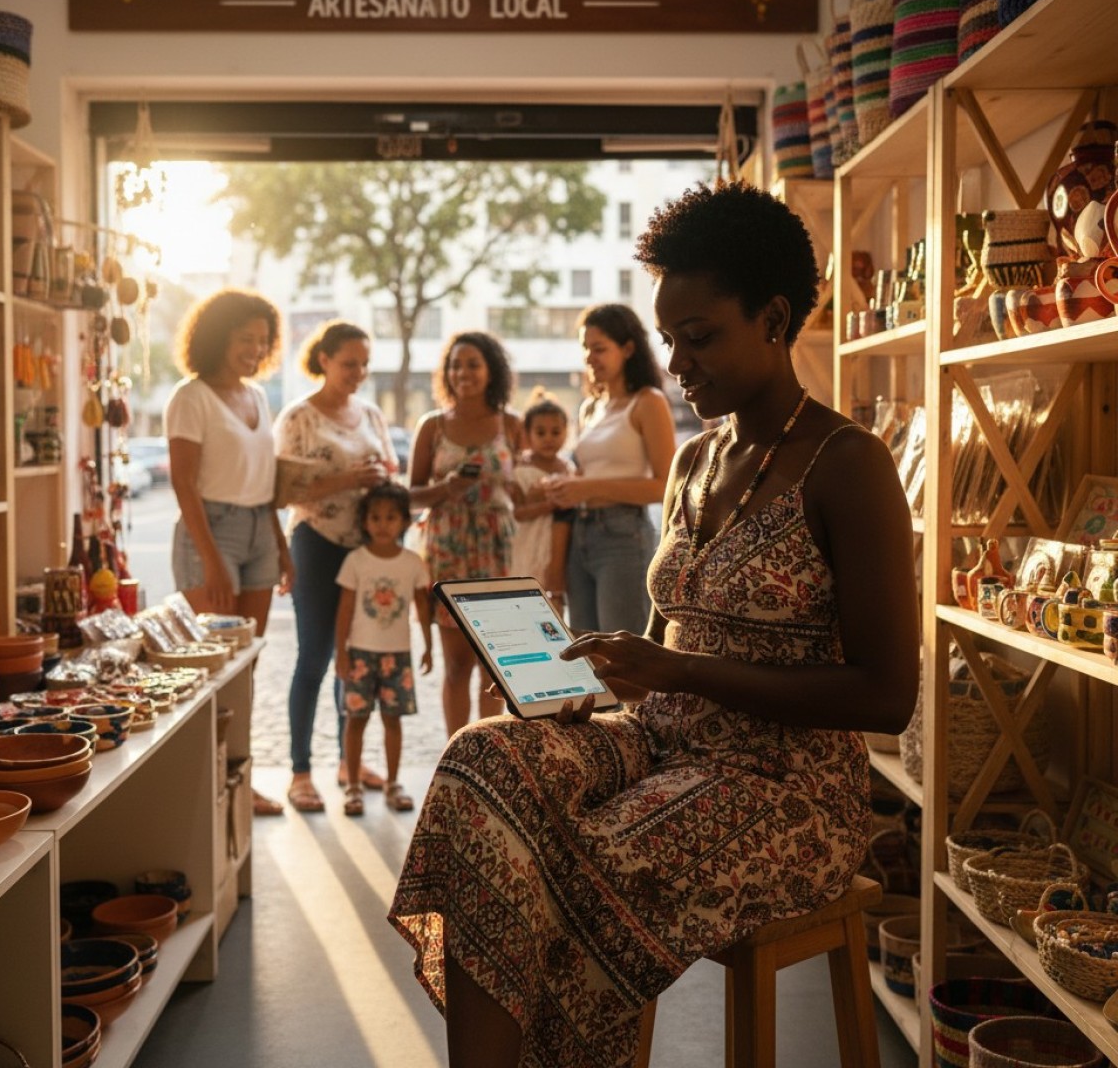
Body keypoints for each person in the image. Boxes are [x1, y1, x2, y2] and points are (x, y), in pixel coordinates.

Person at [388, 180, 921, 1068]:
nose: (677, 364)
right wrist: (582, 682)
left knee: (587, 860)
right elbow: (666, 643)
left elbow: (887, 695)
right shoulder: (700, 459)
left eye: (700, 338)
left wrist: (678, 673)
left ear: (776, 318)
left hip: (787, 786)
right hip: (662, 737)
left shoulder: (847, 465)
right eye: (670, 339)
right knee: (482, 763)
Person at [165, 287, 294, 817]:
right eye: (245, 339)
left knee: (246, 667)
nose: (255, 350)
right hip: (209, 531)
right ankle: (207, 787)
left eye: (262, 341)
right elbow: (183, 484)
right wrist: (212, 558)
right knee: (213, 667)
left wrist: (282, 546)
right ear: (217, 336)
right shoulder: (189, 398)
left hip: (260, 529)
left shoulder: (259, 398)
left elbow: (264, 484)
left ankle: (241, 781)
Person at [273, 320, 397, 814]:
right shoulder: (298, 417)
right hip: (317, 543)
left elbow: (390, 471)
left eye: (365, 363)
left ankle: (349, 765)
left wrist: (381, 483)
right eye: (350, 363)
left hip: (366, 551)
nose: (359, 372)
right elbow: (282, 493)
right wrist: (345, 478)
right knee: (315, 659)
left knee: (357, 662)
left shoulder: (370, 413)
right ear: (323, 359)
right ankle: (300, 772)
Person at [408, 331, 525, 735]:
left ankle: (488, 748)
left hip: (498, 549)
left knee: (493, 664)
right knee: (456, 664)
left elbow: (527, 487)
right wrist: (446, 489)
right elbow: (409, 496)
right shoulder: (432, 426)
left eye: (473, 364)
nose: (463, 373)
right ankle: (455, 750)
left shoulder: (512, 424)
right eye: (455, 365)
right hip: (447, 547)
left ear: (491, 369)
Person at [541, 302, 676, 635]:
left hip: (623, 534)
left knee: (620, 652)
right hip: (581, 533)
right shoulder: (590, 408)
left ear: (628, 348)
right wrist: (565, 485)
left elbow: (666, 485)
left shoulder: (648, 401)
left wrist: (587, 487)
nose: (589, 358)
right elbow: (588, 476)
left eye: (599, 348)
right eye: (586, 348)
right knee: (585, 651)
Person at [334, 482, 433, 817]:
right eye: (375, 517)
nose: (382, 524)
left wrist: (429, 647)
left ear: (405, 521)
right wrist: (341, 653)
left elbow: (423, 606)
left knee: (393, 721)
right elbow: (344, 611)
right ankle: (353, 785)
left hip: (398, 655)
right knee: (356, 721)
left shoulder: (413, 563)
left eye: (391, 517)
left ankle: (392, 782)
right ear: (364, 521)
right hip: (360, 654)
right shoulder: (355, 561)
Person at [510, 389, 574, 610]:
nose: (549, 438)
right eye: (541, 432)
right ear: (527, 435)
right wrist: (548, 505)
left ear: (566, 432)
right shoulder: (522, 470)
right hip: (530, 540)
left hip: (560, 543)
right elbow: (518, 512)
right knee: (528, 596)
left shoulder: (568, 468)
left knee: (555, 600)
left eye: (555, 432)